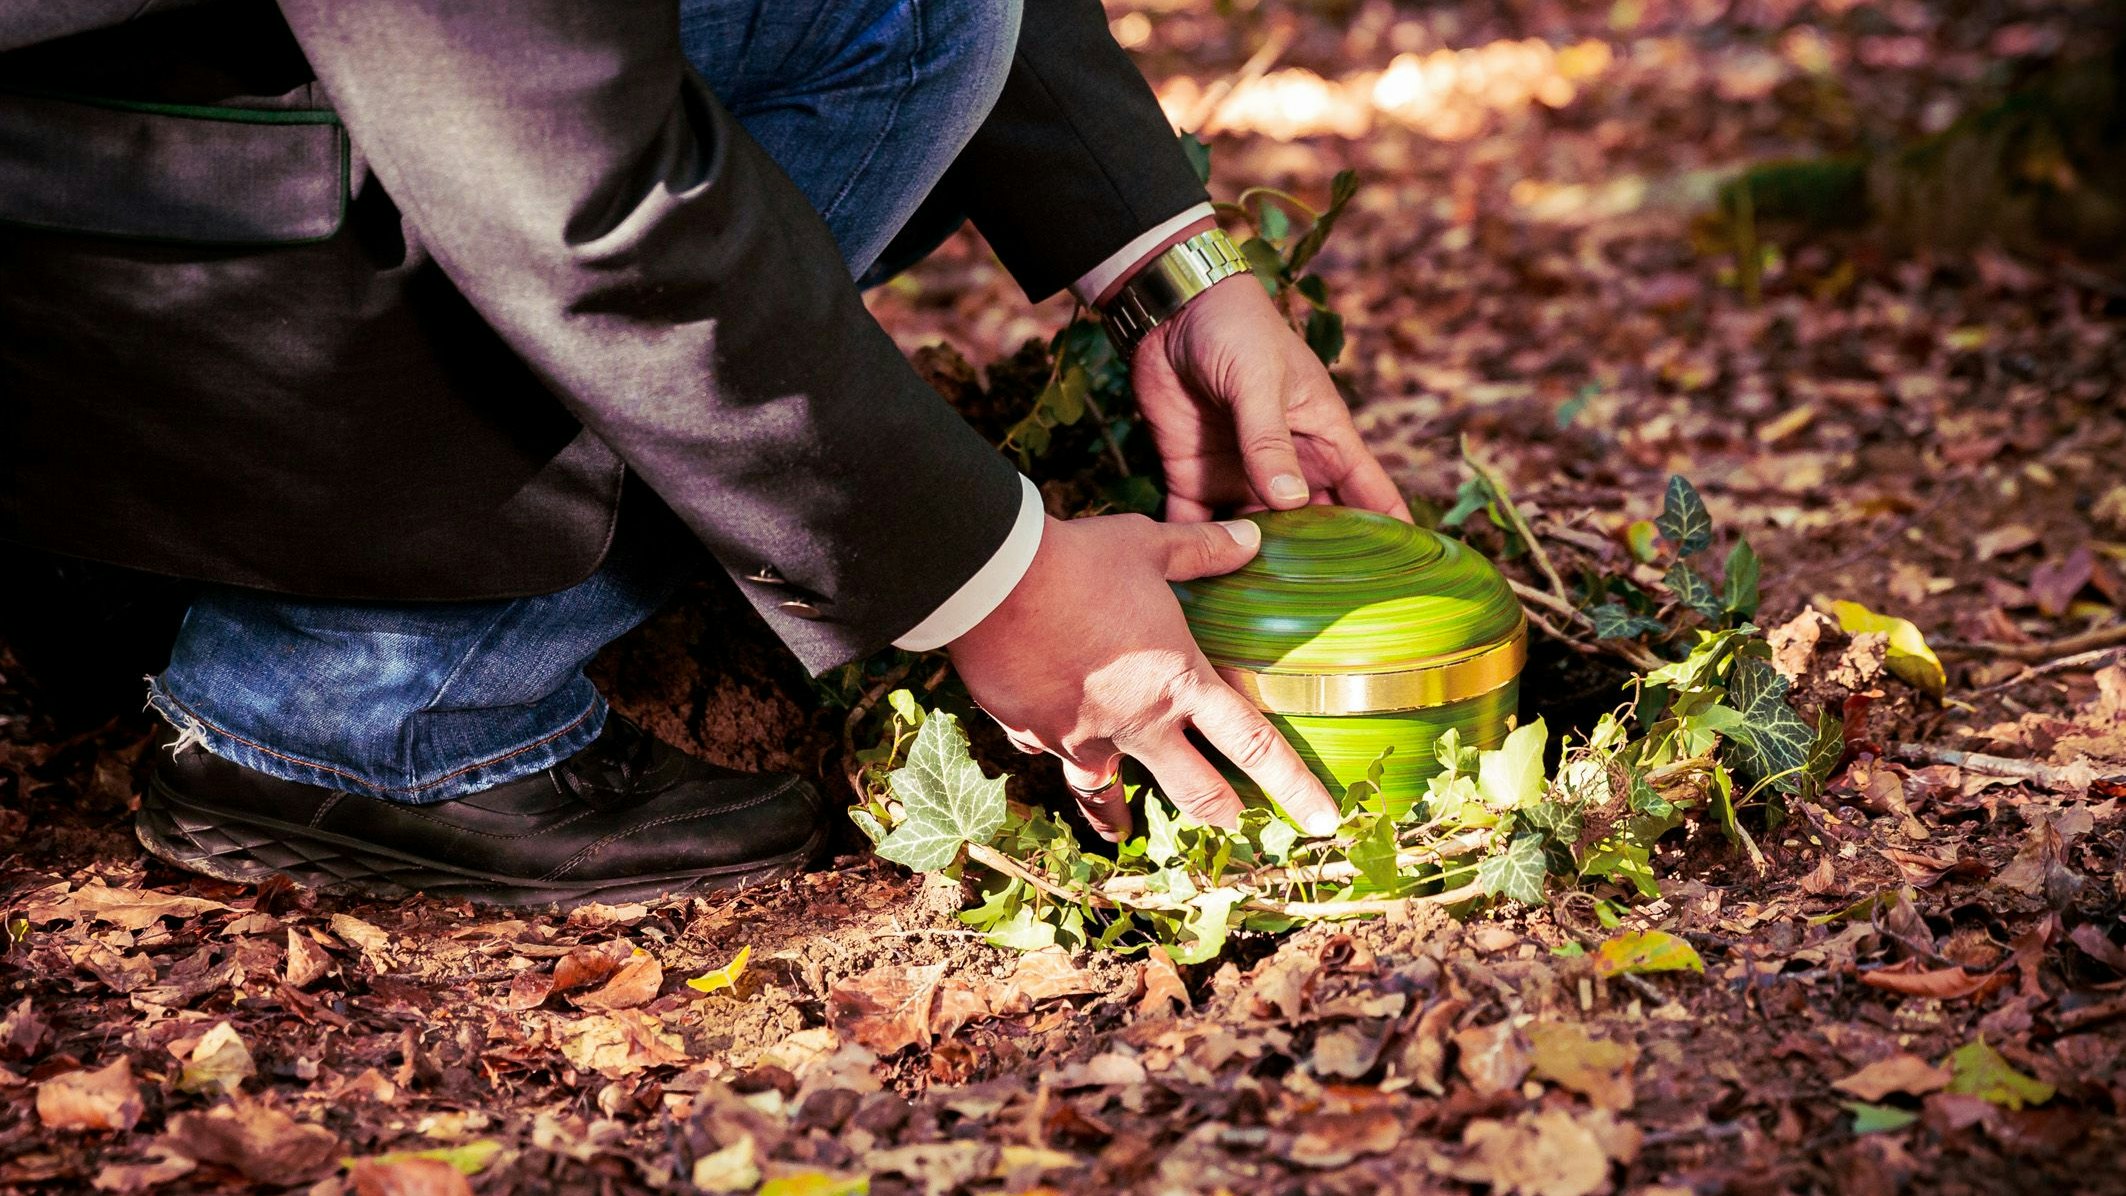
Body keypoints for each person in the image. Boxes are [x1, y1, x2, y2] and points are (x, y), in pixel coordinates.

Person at [0, 0, 1409, 907]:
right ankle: (367, 700)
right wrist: (1007, 583)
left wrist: (1173, 268)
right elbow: (573, 178)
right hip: (100, 225)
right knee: (899, 22)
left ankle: (185, 580)